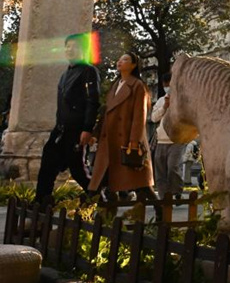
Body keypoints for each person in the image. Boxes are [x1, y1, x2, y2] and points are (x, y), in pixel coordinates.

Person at [34, 34, 100, 206]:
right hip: (61, 129)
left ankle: (100, 198)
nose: (70, 49)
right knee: (48, 163)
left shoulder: (88, 71)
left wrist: (87, 128)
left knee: (77, 169)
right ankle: (41, 202)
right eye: (67, 46)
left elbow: (92, 102)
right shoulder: (65, 74)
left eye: (75, 46)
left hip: (77, 129)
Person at [88, 52, 156, 201]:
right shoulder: (115, 86)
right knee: (102, 182)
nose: (120, 62)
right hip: (109, 141)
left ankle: (160, 212)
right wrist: (96, 134)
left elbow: (139, 115)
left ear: (133, 65)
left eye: (125, 60)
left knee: (140, 184)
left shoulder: (137, 86)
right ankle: (101, 216)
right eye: (119, 59)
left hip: (126, 140)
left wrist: (134, 141)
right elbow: (106, 113)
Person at [151, 73, 197, 197]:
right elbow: (154, 118)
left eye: (169, 84)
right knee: (160, 171)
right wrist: (164, 107)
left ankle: (176, 191)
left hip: (176, 140)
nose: (167, 87)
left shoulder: (183, 100)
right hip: (161, 140)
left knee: (173, 167)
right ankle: (163, 195)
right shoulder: (161, 101)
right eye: (165, 85)